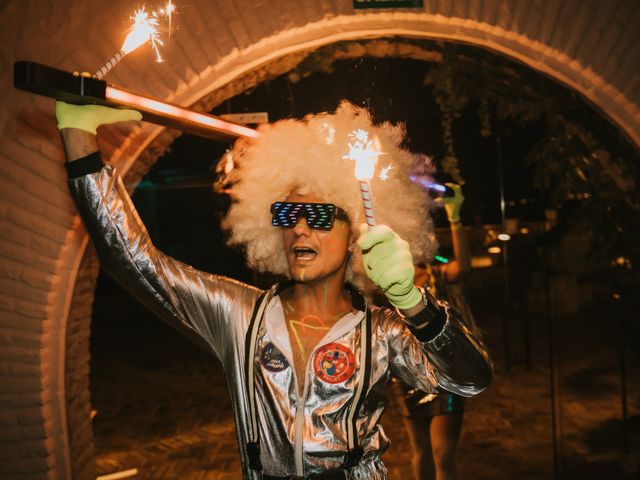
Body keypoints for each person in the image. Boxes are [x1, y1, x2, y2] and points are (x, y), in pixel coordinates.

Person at [56, 100, 492, 480]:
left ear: (355, 231)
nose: (300, 227)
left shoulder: (381, 332)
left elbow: (471, 379)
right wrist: (79, 145)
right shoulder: (240, 315)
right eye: (288, 213)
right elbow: (135, 262)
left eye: (319, 216)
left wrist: (411, 302)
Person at [399, 183, 475, 480]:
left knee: (443, 453)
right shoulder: (388, 285)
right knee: (420, 452)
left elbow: (465, 266)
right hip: (407, 375)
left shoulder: (437, 274)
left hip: (445, 375)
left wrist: (455, 219)